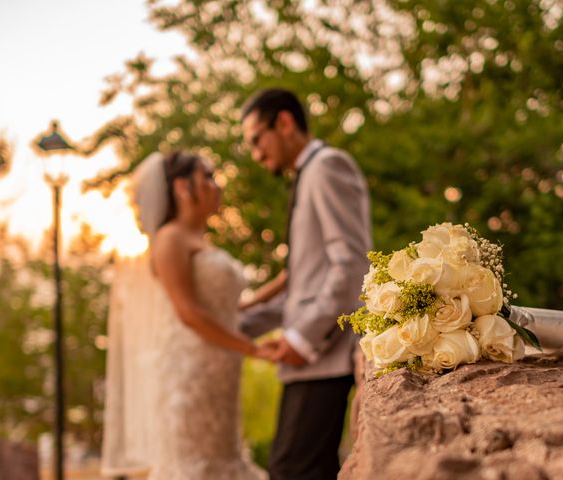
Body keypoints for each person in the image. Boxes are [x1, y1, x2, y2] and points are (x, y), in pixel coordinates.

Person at [101, 150, 269, 480]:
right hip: (187, 372)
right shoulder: (169, 239)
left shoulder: (202, 242)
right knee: (193, 463)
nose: (216, 185)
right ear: (181, 186)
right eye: (207, 176)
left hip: (219, 372)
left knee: (222, 455)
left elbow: (229, 308)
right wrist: (254, 349)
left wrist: (284, 282)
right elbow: (188, 312)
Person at [239, 89, 372, 479]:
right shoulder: (308, 174)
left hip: (323, 357)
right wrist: (229, 325)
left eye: (255, 140)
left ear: (283, 122)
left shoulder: (328, 166)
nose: (256, 154)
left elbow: (350, 267)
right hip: (311, 362)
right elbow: (303, 288)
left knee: (291, 469)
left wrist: (301, 339)